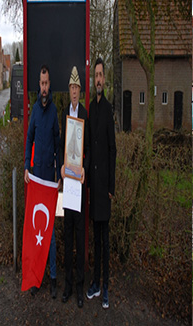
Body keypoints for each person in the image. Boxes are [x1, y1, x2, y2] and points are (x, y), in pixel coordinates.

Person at [24, 64, 61, 298]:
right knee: (35, 230)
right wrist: (27, 166)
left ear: (50, 84)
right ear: (38, 85)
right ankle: (36, 279)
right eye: (42, 83)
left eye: (47, 83)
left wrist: (58, 174)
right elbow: (29, 139)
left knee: (51, 233)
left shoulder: (55, 111)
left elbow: (57, 142)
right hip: (36, 178)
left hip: (50, 180)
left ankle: (54, 276)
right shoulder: (35, 111)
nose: (44, 87)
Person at [86, 57, 116, 309]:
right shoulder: (90, 109)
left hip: (104, 187)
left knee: (105, 241)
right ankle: (95, 283)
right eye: (95, 75)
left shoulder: (107, 109)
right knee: (95, 238)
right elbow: (87, 147)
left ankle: (105, 286)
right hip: (92, 186)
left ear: (105, 79)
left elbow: (112, 149)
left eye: (100, 75)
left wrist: (111, 187)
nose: (97, 79)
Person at [60, 66, 90, 308]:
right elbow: (63, 144)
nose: (74, 91)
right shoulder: (64, 114)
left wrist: (84, 171)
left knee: (79, 237)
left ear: (80, 91)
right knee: (67, 234)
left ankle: (80, 286)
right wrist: (62, 166)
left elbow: (87, 150)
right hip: (66, 183)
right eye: (71, 88)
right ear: (68, 90)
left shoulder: (85, 115)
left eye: (77, 88)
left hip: (78, 184)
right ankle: (68, 284)